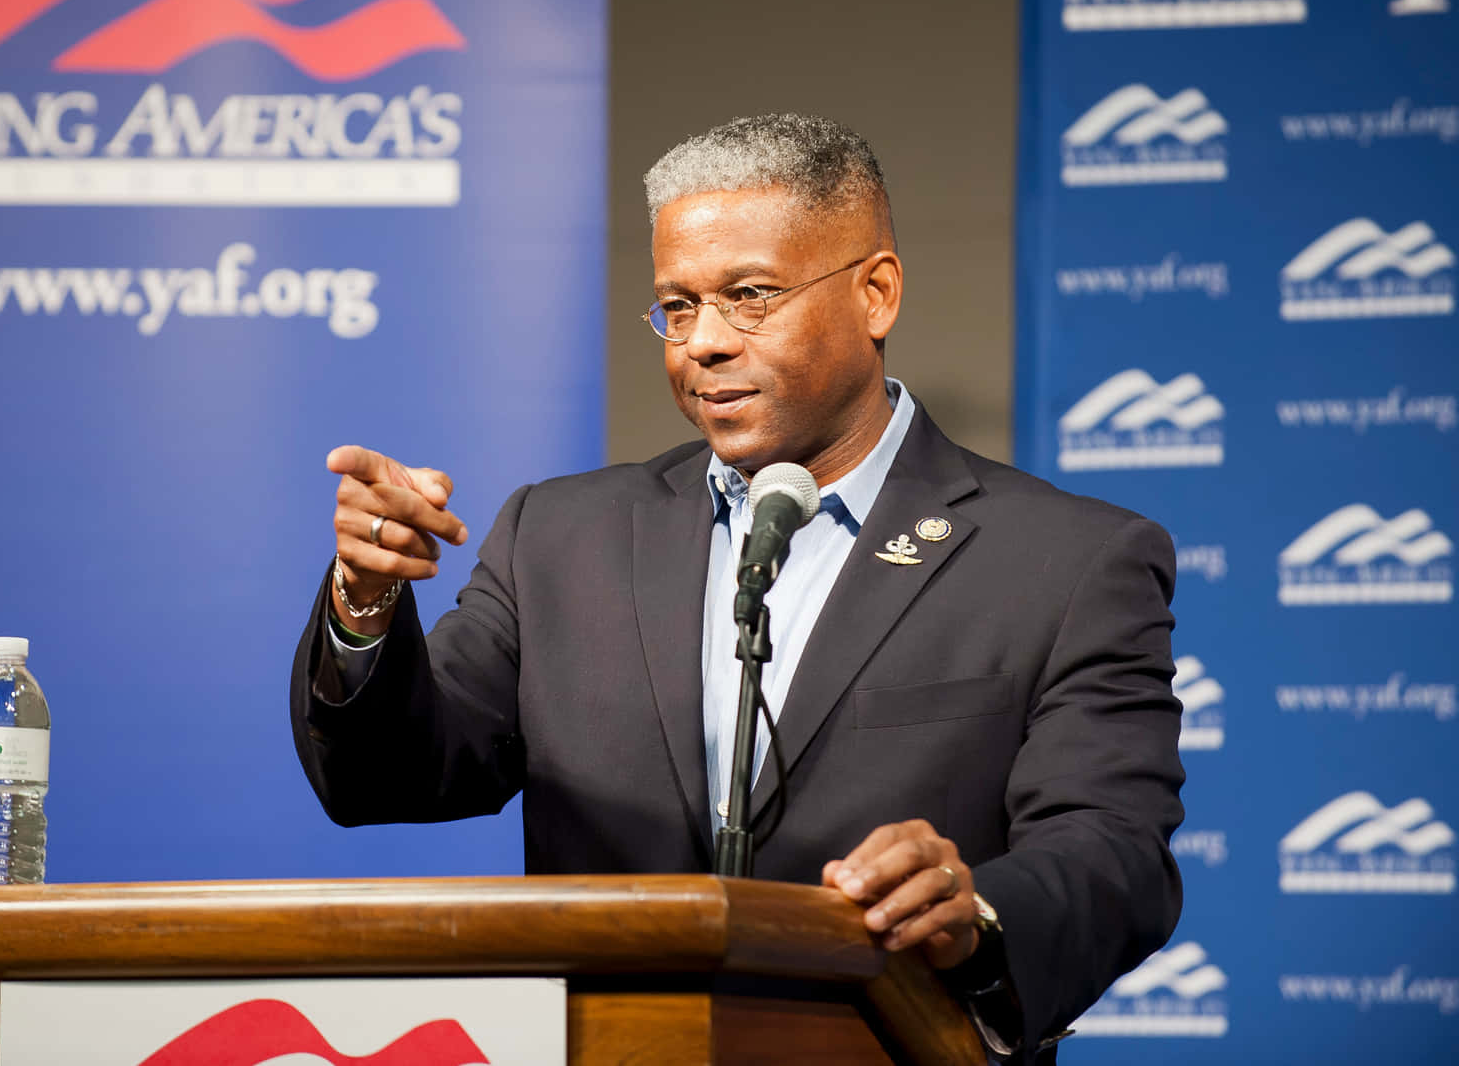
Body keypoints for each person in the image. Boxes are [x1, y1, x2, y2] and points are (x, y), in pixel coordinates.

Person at [290, 113, 1183, 1061]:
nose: (703, 343)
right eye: (677, 306)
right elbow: (387, 777)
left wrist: (978, 917)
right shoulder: (558, 536)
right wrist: (366, 601)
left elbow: (1115, 853)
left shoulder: (1068, 559)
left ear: (876, 294)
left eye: (749, 296)